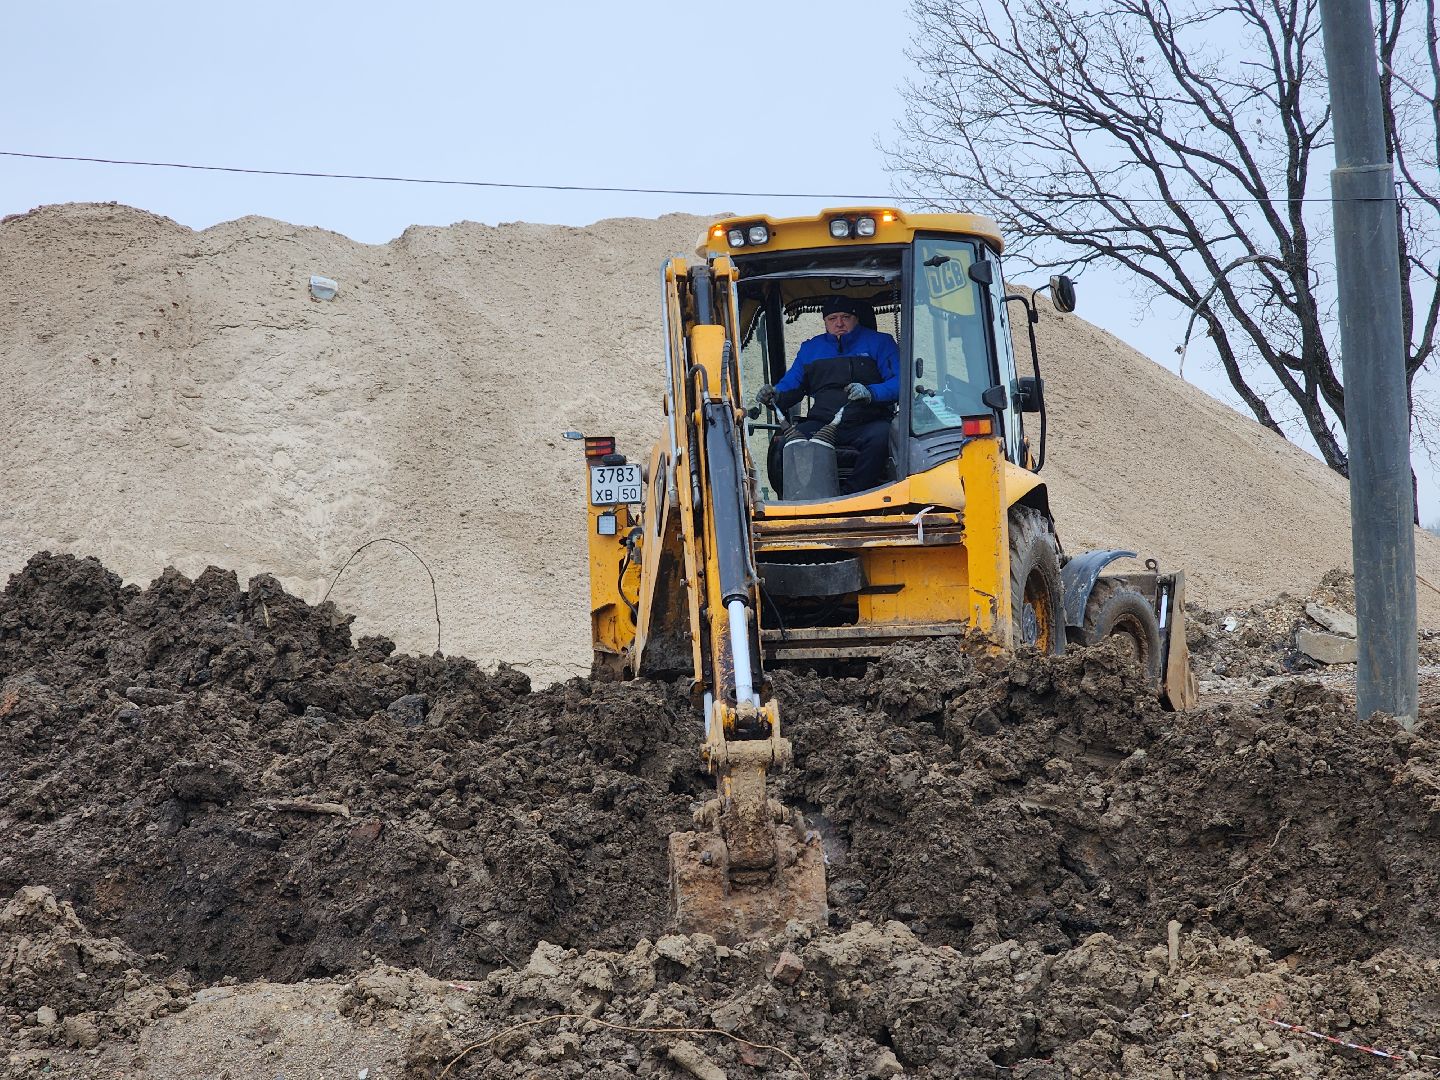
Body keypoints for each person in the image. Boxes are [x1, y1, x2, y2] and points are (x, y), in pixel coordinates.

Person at [755, 296, 900, 494]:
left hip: (868, 422)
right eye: (832, 318)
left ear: (856, 318)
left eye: (845, 317)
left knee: (884, 437)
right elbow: (792, 383)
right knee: (783, 446)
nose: (839, 323)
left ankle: (851, 496)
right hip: (823, 422)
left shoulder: (880, 343)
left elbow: (900, 383)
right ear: (825, 321)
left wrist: (871, 392)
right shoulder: (811, 349)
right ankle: (796, 500)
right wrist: (775, 395)